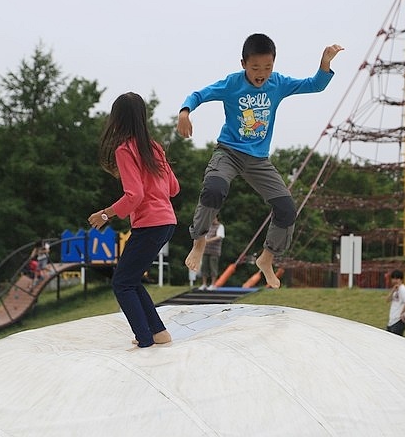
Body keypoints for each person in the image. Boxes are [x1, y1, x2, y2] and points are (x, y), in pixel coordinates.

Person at [177, 33, 343, 288]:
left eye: (267, 67)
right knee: (214, 189)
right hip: (229, 152)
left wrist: (325, 65)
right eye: (255, 68)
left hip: (259, 160)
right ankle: (199, 241)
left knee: (287, 209)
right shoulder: (232, 84)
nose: (262, 73)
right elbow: (199, 94)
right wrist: (185, 112)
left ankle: (266, 258)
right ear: (243, 64)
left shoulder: (277, 83)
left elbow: (314, 85)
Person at [88, 92, 180, 348]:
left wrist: (105, 213)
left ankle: (145, 338)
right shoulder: (155, 147)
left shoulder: (125, 149)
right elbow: (174, 188)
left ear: (116, 120)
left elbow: (135, 195)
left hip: (150, 223)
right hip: (167, 222)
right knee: (129, 278)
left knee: (122, 283)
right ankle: (157, 332)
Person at [199, 215, 225, 291]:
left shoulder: (220, 226)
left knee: (213, 268)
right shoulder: (208, 226)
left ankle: (213, 284)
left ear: (216, 218)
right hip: (205, 250)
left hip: (214, 251)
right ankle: (204, 284)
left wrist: (208, 241)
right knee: (204, 267)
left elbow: (219, 237)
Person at [385, 269, 405, 336]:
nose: (394, 281)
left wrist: (402, 312)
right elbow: (387, 300)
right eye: (393, 279)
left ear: (400, 279)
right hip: (392, 321)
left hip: (398, 321)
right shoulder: (395, 289)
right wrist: (393, 290)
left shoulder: (402, 289)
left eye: (397, 279)